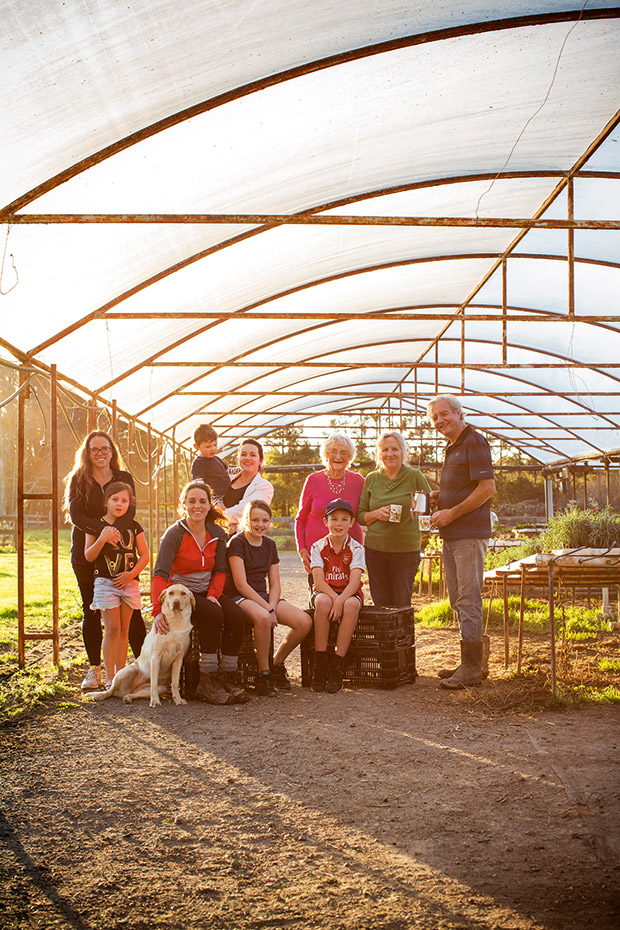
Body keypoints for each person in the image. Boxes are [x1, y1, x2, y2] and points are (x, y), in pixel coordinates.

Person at [64, 430, 147, 692]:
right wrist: (101, 531)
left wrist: (116, 533)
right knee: (91, 609)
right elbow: (75, 515)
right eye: (94, 449)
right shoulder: (79, 479)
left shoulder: (123, 478)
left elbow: (130, 508)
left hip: (121, 552)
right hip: (87, 551)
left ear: (113, 451)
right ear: (87, 453)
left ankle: (143, 666)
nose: (100, 453)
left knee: (130, 612)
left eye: (105, 448)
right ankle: (95, 670)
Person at [152, 480, 248, 705]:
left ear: (208, 505)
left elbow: (220, 570)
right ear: (183, 505)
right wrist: (158, 611)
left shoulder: (216, 533)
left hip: (207, 590)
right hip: (182, 594)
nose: (197, 506)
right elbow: (160, 574)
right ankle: (207, 680)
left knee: (235, 615)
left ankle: (227, 676)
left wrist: (214, 594)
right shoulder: (174, 534)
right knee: (213, 615)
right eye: (191, 501)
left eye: (202, 501)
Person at [427, 394, 496, 689]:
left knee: (468, 598)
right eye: (434, 418)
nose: (439, 421)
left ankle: (471, 668)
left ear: (459, 413)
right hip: (453, 534)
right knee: (457, 598)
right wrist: (439, 499)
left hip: (468, 533)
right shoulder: (452, 447)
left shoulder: (474, 441)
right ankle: (472, 662)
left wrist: (451, 512)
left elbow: (487, 488)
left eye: (444, 414)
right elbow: (466, 487)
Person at [226, 500, 312, 696]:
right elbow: (241, 584)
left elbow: (275, 584)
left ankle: (276, 663)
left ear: (270, 522)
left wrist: (272, 606)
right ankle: (262, 674)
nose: (260, 525)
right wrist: (268, 609)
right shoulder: (236, 543)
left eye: (265, 520)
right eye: (255, 520)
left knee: (304, 622)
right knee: (263, 618)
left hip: (264, 598)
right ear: (246, 520)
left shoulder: (270, 545)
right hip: (239, 597)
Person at [84, 482, 149, 687]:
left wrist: (131, 575)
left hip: (129, 584)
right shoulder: (95, 525)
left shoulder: (134, 526)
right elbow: (89, 556)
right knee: (111, 629)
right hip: (106, 583)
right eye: (115, 499)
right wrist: (102, 538)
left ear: (130, 503)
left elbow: (145, 555)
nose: (120, 504)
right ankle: (109, 677)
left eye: (124, 500)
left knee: (124, 630)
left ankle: (120, 675)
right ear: (106, 502)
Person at [357, 431, 431, 608]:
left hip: (406, 549)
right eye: (385, 449)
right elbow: (360, 516)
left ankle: (403, 637)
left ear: (403, 452)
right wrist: (377, 514)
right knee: (380, 603)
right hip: (376, 549)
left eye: (394, 449)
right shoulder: (372, 478)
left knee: (401, 601)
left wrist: (422, 529)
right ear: (379, 453)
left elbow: (428, 507)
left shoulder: (415, 476)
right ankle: (385, 637)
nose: (389, 454)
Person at [295, 432, 364, 590]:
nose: (338, 456)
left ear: (350, 456)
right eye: (333, 451)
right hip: (317, 554)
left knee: (347, 598)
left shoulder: (359, 481)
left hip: (348, 554)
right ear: (326, 455)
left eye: (343, 452)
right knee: (320, 600)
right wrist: (302, 549)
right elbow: (300, 518)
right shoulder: (313, 480)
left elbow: (366, 512)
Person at [310, 498, 365, 694]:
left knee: (350, 606)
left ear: (352, 522)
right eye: (334, 519)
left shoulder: (357, 548)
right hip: (326, 591)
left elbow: (354, 582)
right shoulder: (317, 547)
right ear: (326, 522)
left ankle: (337, 664)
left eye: (344, 519)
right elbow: (319, 580)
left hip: (348, 593)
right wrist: (334, 599)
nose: (339, 524)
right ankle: (320, 662)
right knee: (323, 602)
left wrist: (340, 601)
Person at [222, 438, 274, 534]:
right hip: (215, 537)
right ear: (238, 458)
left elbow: (244, 511)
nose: (247, 458)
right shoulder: (225, 477)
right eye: (243, 454)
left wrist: (215, 517)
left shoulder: (265, 487)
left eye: (253, 455)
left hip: (241, 541)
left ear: (260, 461)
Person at [191, 423, 231, 503]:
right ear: (197, 447)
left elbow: (230, 471)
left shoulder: (217, 459)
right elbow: (199, 485)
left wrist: (242, 471)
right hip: (214, 500)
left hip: (228, 495)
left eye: (215, 445)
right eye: (208, 446)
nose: (213, 449)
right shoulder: (198, 463)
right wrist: (210, 500)